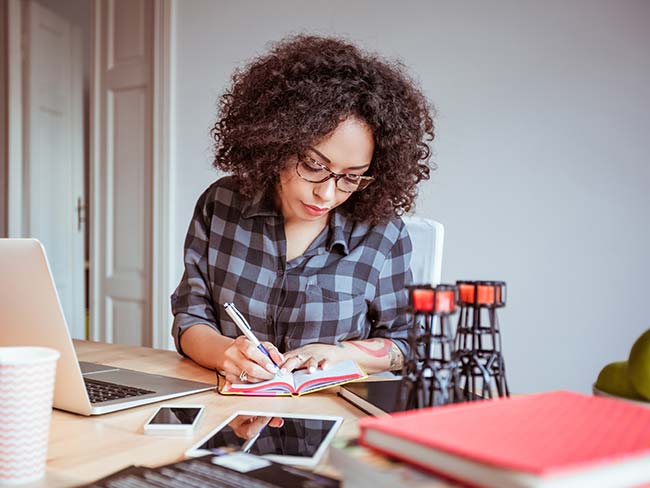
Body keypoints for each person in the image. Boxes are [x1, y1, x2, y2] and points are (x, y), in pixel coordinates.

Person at [171, 34, 434, 386]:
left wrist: (343, 353)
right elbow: (190, 317)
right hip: (228, 408)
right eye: (313, 165)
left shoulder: (381, 232)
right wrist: (225, 353)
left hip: (333, 419)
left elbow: (407, 343)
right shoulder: (221, 205)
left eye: (351, 178)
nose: (326, 193)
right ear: (278, 143)